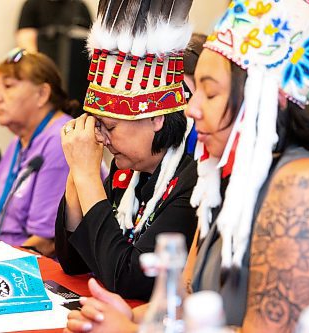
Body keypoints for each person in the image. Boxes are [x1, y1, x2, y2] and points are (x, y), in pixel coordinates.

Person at [63, 0, 309, 332]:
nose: (192, 109)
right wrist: (134, 318)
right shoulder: (219, 177)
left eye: (210, 95)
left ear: (262, 99)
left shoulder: (306, 183)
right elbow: (186, 298)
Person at [55, 0, 198, 301]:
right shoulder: (128, 171)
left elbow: (129, 278)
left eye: (111, 127)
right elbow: (74, 262)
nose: (102, 139)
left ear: (156, 118)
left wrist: (87, 177)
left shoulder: (193, 180)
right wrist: (77, 173)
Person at [0, 48, 77, 257]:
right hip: (4, 253)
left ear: (42, 94)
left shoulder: (60, 141)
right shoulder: (19, 141)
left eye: (8, 86)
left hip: (37, 267)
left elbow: (46, 241)